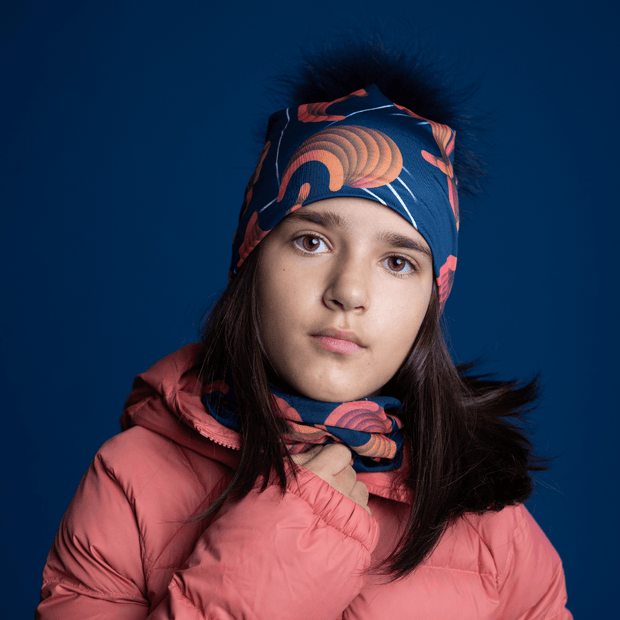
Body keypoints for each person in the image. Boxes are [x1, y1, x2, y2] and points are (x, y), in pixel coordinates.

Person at [36, 39, 572, 619]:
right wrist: (273, 554)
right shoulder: (128, 480)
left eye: (398, 262)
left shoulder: (490, 516)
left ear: (430, 301)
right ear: (253, 259)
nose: (349, 291)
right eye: (312, 241)